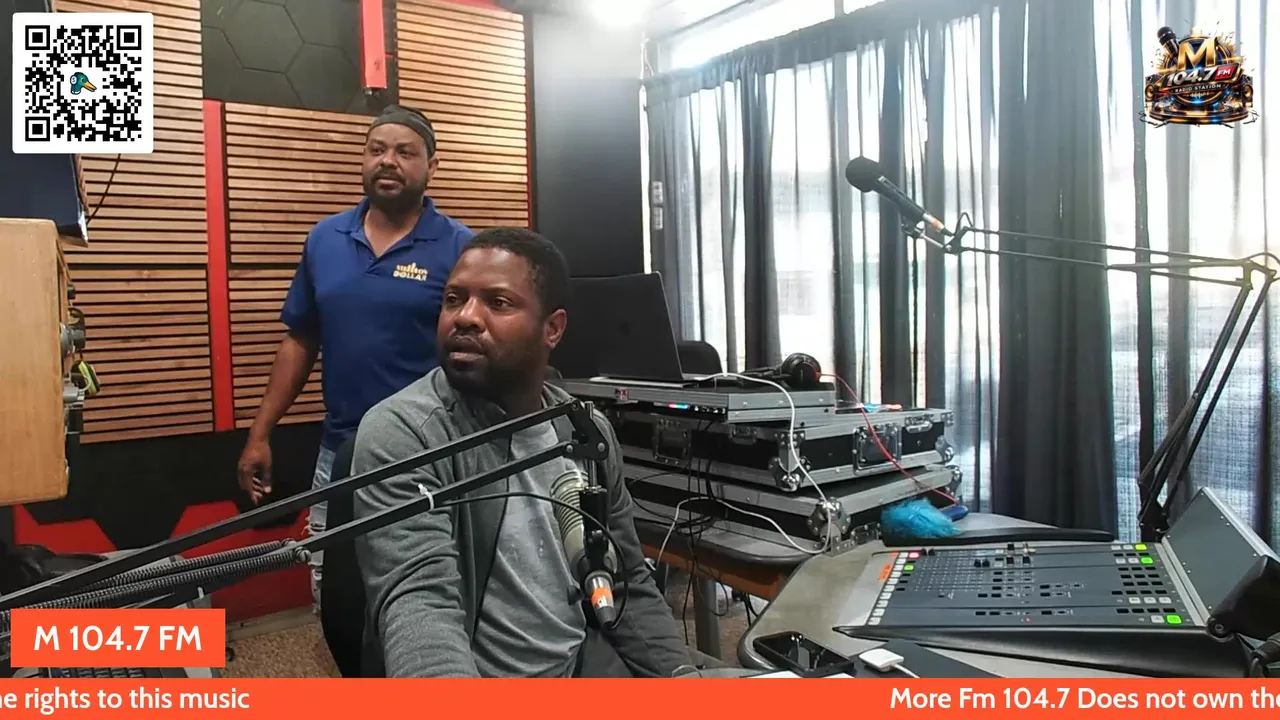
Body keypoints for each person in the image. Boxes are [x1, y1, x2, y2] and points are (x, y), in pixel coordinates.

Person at [350, 228, 694, 677]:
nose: (466, 317)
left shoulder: (586, 432)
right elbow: (421, 607)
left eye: (498, 303)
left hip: (580, 662)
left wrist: (680, 676)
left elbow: (626, 579)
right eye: (454, 299)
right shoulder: (405, 432)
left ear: (553, 329)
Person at [235, 105, 474, 606]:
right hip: (341, 452)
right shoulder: (325, 239)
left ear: (432, 166)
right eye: (376, 150)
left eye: (405, 152)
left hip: (429, 453)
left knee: (430, 590)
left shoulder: (462, 248)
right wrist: (260, 434)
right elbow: (300, 340)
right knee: (333, 591)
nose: (388, 161)